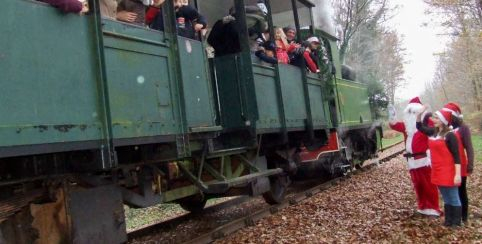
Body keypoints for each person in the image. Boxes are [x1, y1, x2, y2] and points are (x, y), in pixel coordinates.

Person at [388, 97, 441, 217]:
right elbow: (394, 125)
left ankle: (432, 208)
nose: (411, 115)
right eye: (409, 112)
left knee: (428, 185)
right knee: (418, 185)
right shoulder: (407, 127)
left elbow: (437, 130)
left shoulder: (427, 124)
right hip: (412, 161)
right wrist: (392, 116)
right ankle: (423, 207)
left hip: (424, 160)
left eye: (414, 112)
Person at [416, 106, 462, 227]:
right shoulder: (433, 132)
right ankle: (448, 221)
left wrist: (457, 175)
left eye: (436, 117)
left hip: (449, 171)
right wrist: (419, 114)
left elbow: (457, 157)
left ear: (443, 120)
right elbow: (419, 127)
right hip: (437, 171)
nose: (433, 119)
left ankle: (456, 223)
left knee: (453, 197)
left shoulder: (450, 135)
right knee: (446, 198)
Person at [442, 102, 474, 223]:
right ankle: (455, 215)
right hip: (449, 167)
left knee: (461, 191)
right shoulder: (446, 129)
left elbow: (469, 147)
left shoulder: (463, 128)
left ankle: (463, 216)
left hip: (460, 166)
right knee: (452, 191)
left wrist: (470, 165)